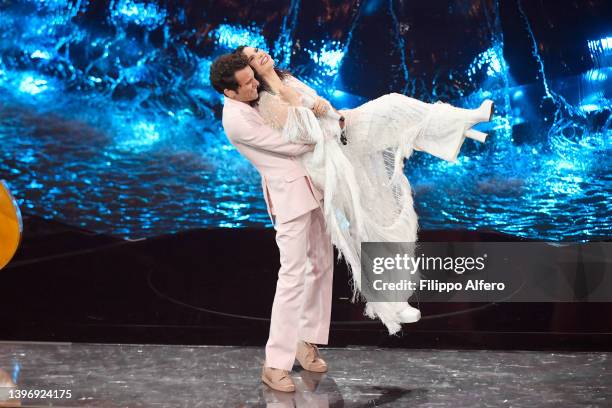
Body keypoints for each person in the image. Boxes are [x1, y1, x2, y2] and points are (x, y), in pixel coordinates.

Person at [234, 45, 494, 335]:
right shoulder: (269, 101)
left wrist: (330, 112)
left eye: (258, 50)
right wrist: (310, 106)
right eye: (253, 57)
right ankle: (390, 304)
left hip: (345, 129)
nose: (261, 54)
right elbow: (305, 131)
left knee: (394, 107)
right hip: (328, 156)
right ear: (250, 71)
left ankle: (463, 121)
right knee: (367, 222)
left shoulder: (287, 78)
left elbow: (321, 110)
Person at [210, 53, 333, 393]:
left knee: (321, 264)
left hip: (314, 186)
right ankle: (275, 363)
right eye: (247, 83)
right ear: (229, 92)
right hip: (289, 195)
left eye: (253, 77)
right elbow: (294, 144)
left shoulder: (255, 95)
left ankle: (306, 341)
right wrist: (312, 129)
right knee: (292, 275)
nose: (255, 84)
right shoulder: (236, 119)